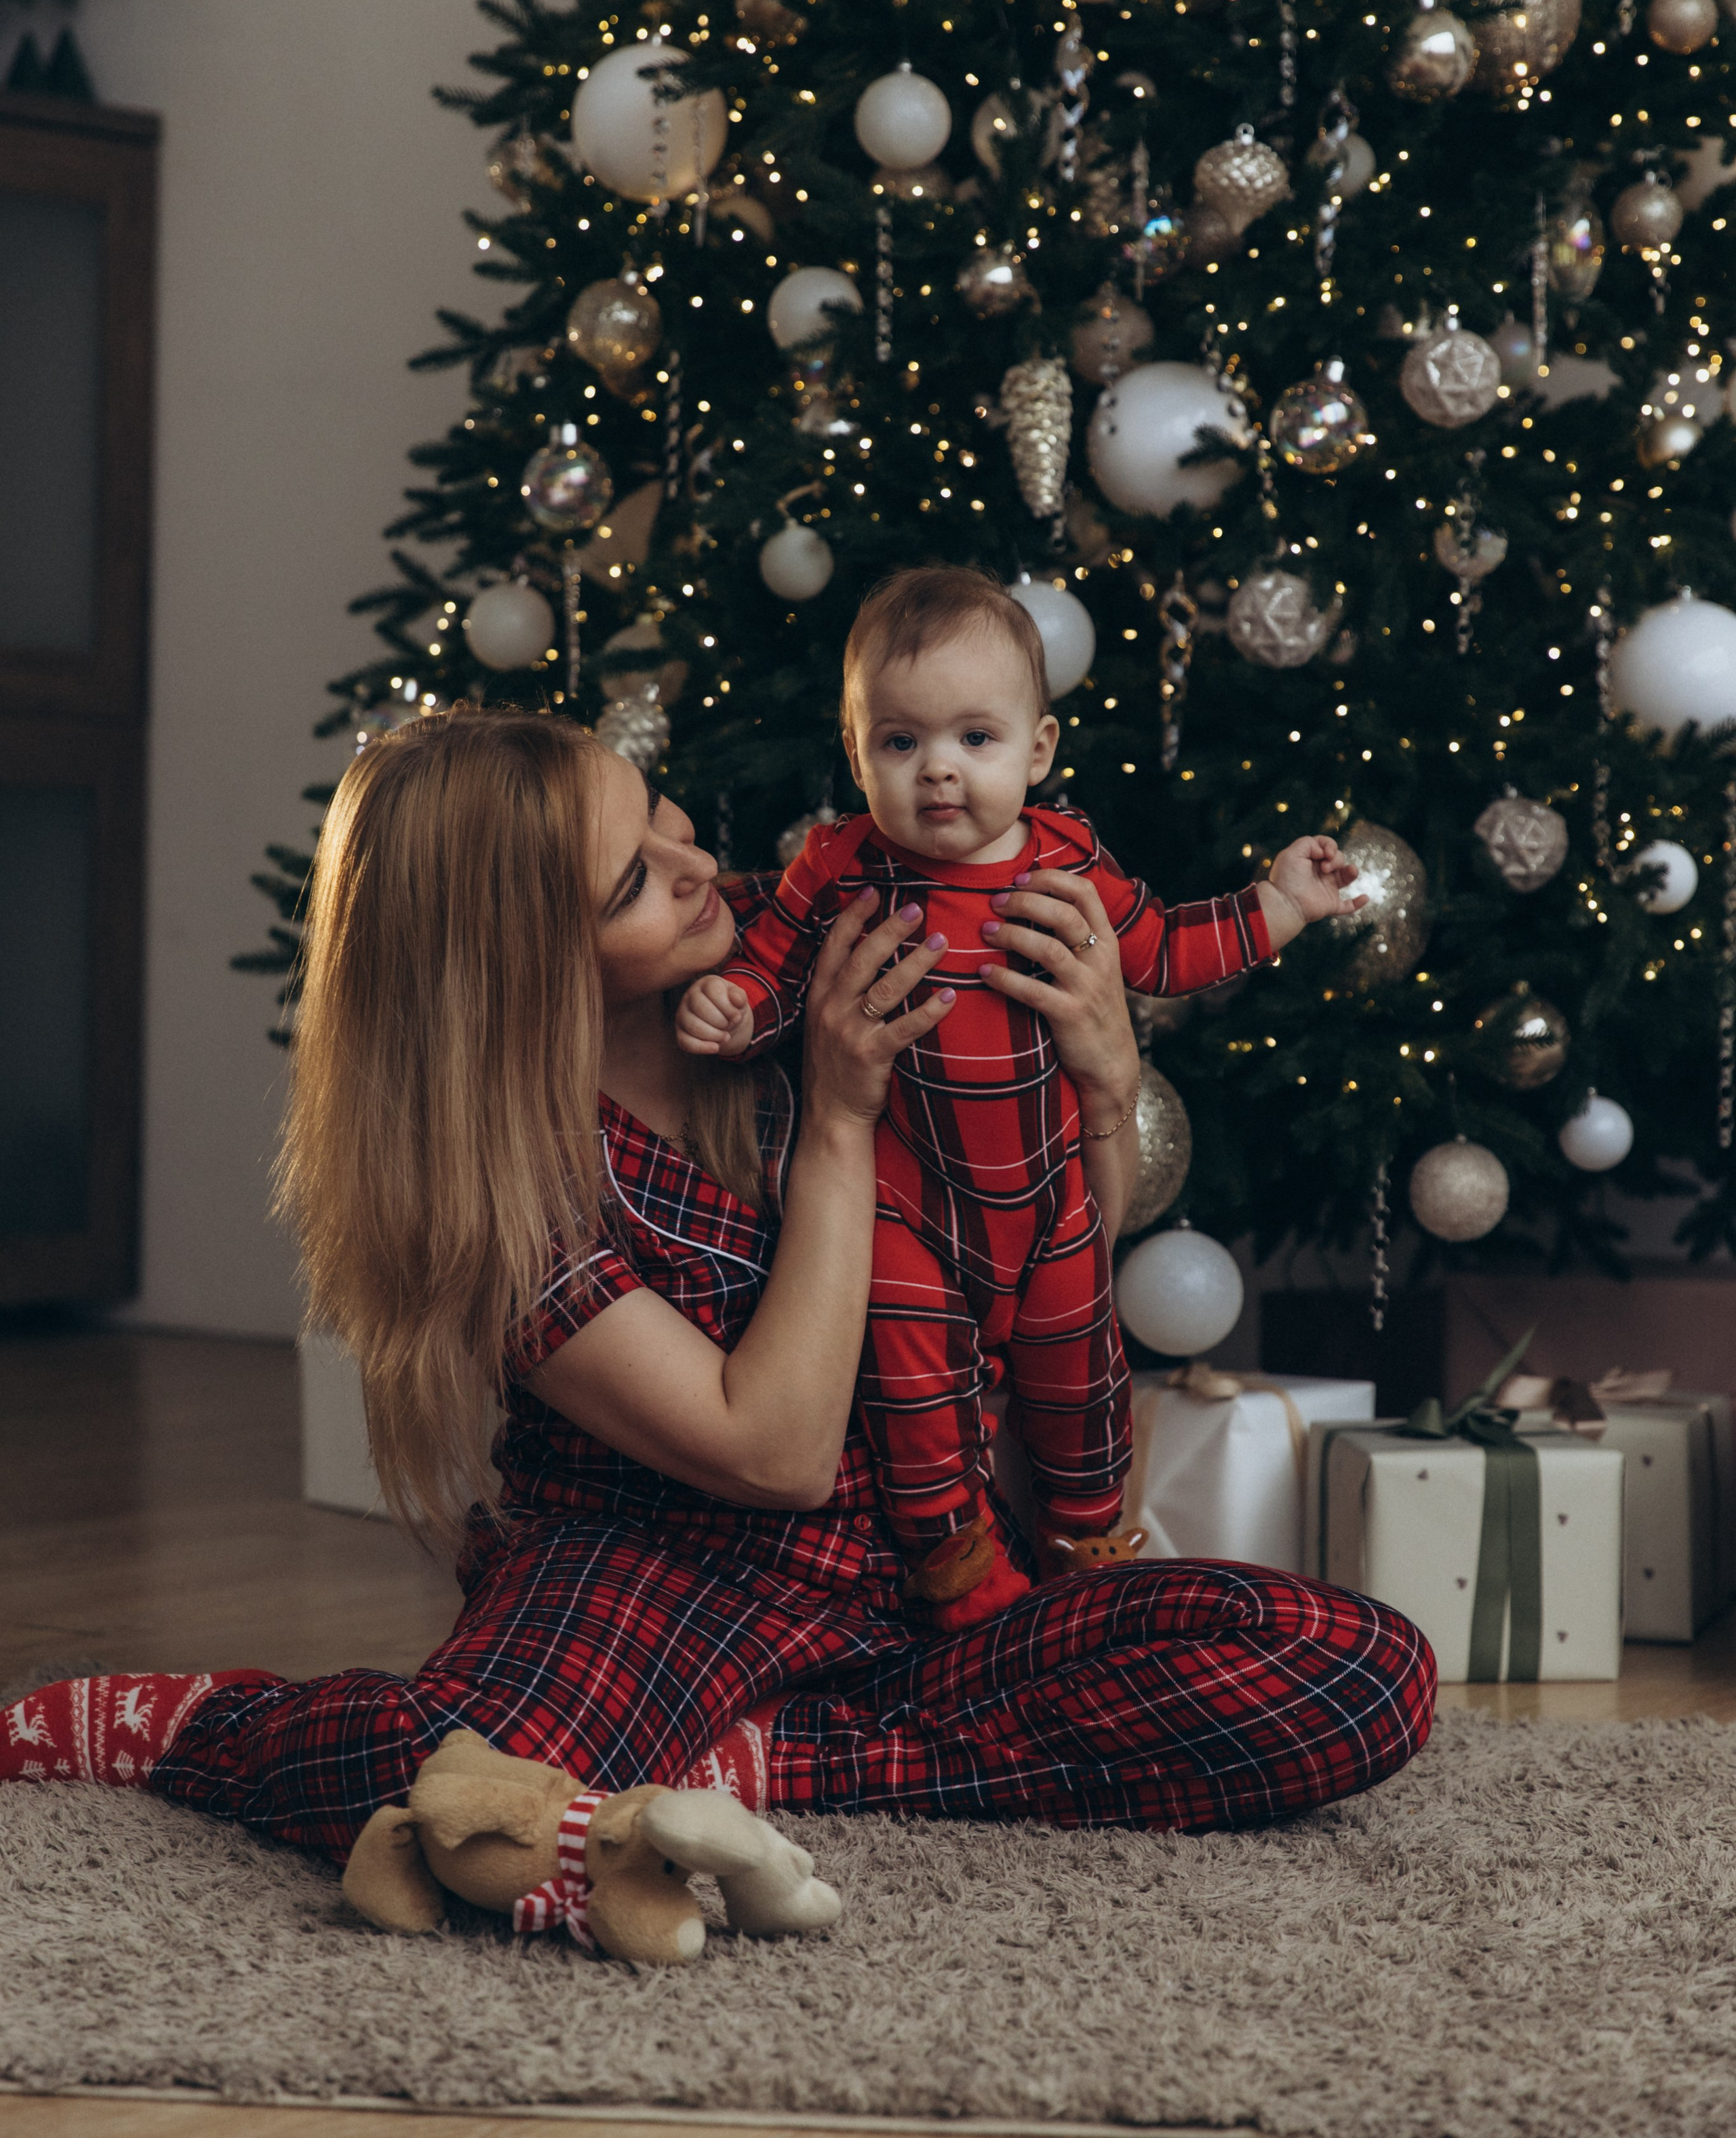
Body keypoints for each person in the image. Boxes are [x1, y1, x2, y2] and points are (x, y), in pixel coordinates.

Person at [0, 707, 1433, 1857]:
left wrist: (1106, 1079)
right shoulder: (516, 1203)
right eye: (635, 880)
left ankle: (765, 1767)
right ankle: (199, 1726)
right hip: (658, 1582)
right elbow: (775, 1452)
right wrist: (838, 1121)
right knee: (424, 1787)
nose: (702, 872)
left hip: (914, 1595)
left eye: (669, 824)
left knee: (1344, 1667)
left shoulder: (777, 963)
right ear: (514, 971)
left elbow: (1034, 1247)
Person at [677, 566, 1365, 1629]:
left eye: (975, 740)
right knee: (915, 1402)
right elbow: (774, 974)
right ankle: (965, 1583)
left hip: (1049, 1206)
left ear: (1038, 750)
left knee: (1086, 1395)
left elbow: (1165, 952)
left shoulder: (1066, 860)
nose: (938, 772)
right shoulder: (840, 866)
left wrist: (1278, 903)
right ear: (855, 751)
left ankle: (1088, 1561)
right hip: (909, 1207)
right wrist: (733, 1007)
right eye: (899, 743)